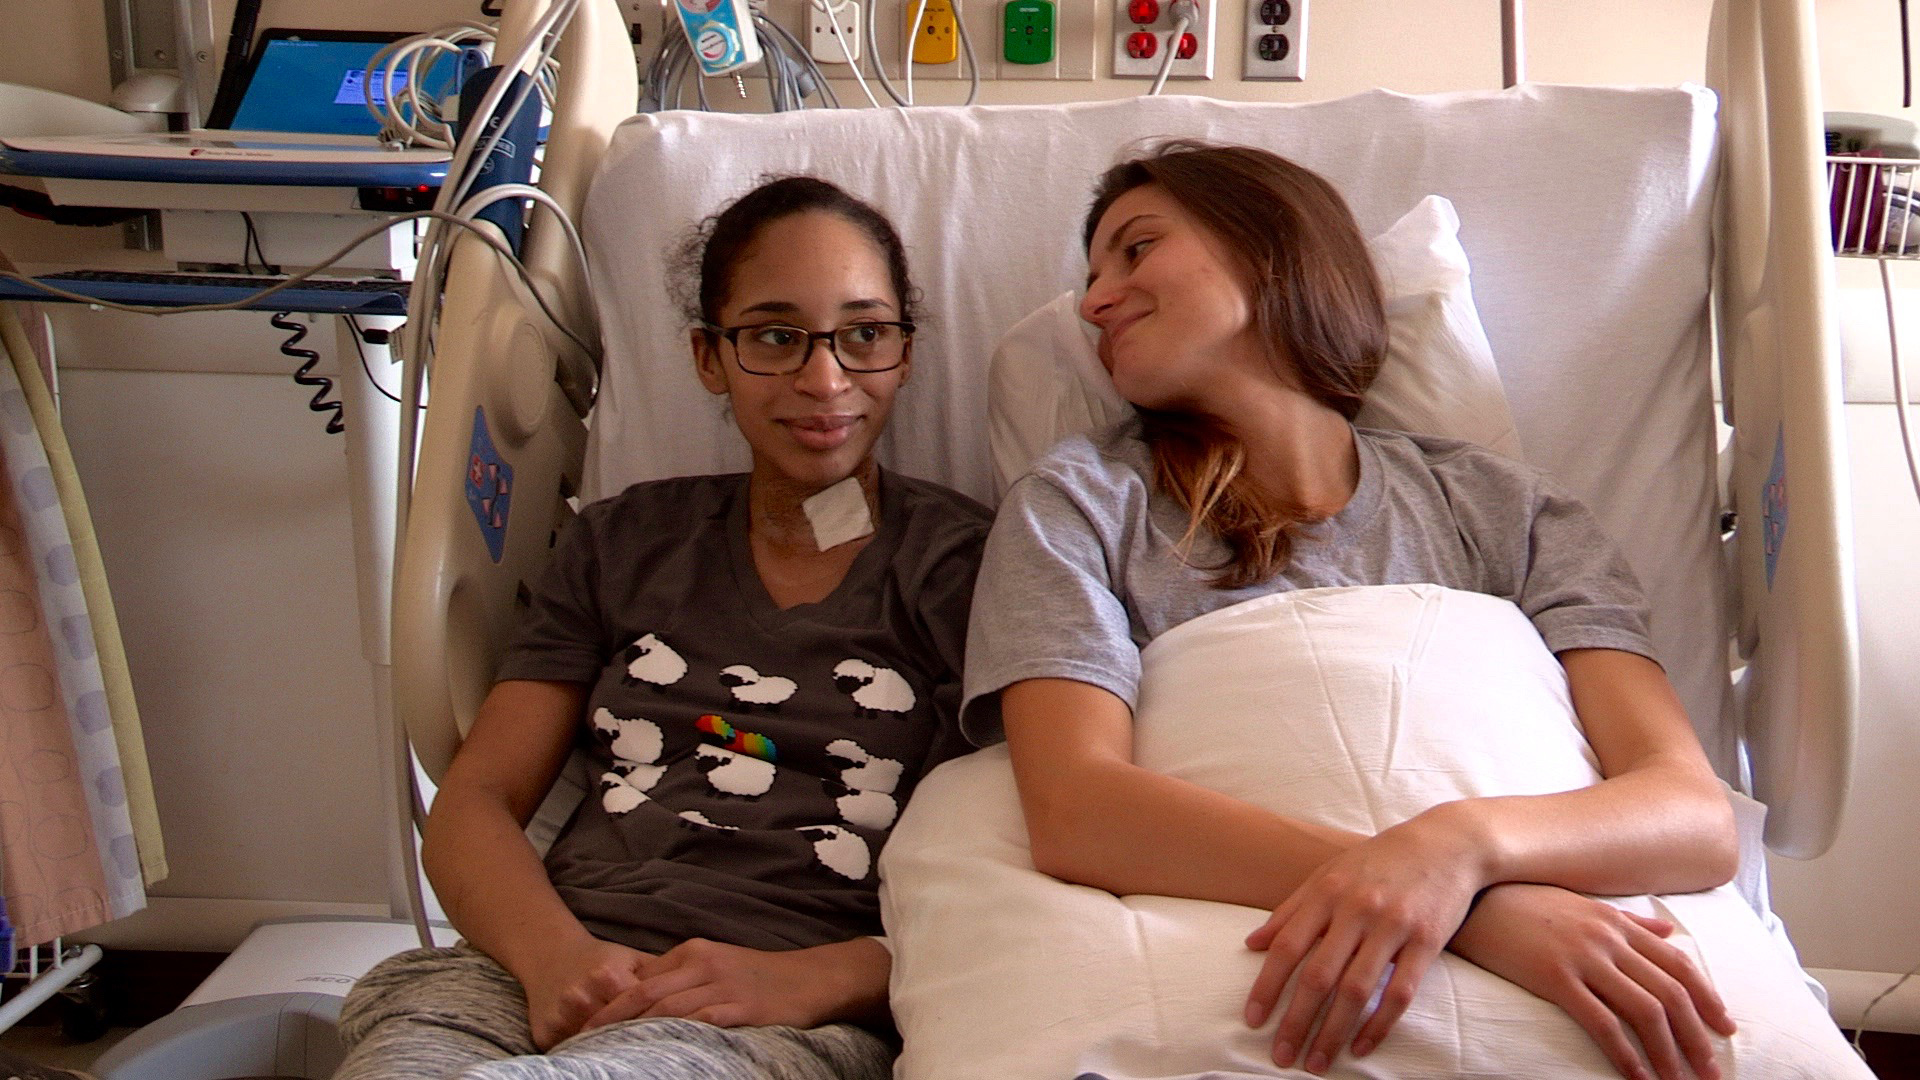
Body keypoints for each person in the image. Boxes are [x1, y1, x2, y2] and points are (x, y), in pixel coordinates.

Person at [961, 141, 1749, 1080]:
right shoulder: (1080, 504)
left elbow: (1692, 818)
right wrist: (1471, 909)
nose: (1093, 302)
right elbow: (1076, 809)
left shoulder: (1506, 511)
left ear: (1271, 248)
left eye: (1135, 249)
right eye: (1092, 276)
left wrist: (1455, 851)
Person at [333, 176, 991, 1080]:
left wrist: (816, 981)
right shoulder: (624, 543)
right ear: (708, 358)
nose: (825, 378)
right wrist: (553, 958)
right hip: (547, 968)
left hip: (780, 1017)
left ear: (905, 354)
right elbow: (476, 801)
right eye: (773, 336)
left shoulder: (960, 569)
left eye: (865, 334)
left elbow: (1003, 869)